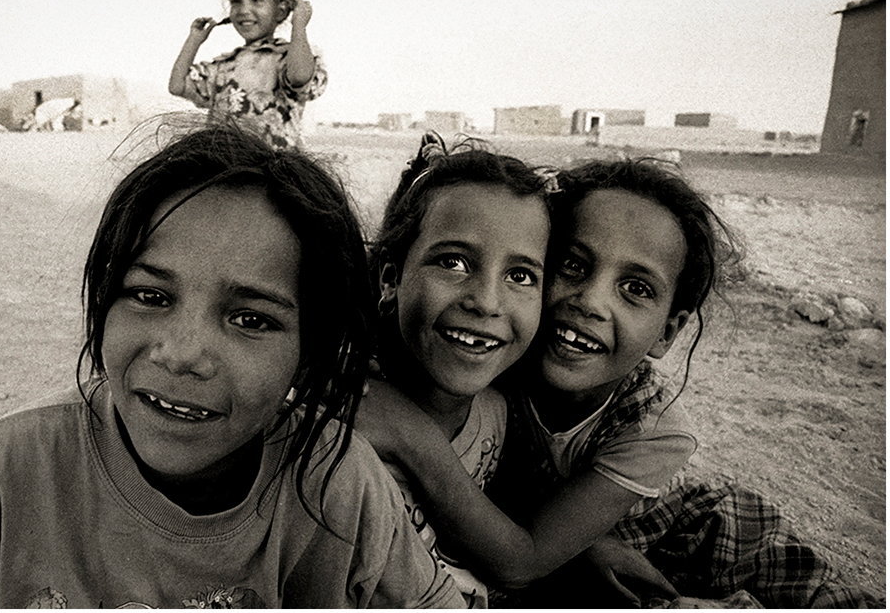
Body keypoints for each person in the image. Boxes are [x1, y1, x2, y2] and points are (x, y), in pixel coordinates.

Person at [0, 117, 463, 609]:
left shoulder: (342, 490)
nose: (180, 354)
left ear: (309, 356)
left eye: (251, 319)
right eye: (150, 296)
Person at [361, 158, 878, 608]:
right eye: (571, 265)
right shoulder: (492, 349)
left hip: (692, 530)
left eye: (635, 289)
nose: (590, 302)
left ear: (668, 332)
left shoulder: (654, 428)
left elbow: (524, 559)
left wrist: (413, 438)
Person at [359, 132, 555, 607]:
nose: (486, 302)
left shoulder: (499, 413)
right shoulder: (346, 419)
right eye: (453, 262)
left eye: (520, 276)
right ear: (391, 278)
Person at [168, 0, 326, 152]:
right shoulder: (225, 66)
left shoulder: (287, 57)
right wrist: (194, 40)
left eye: (256, 0)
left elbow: (300, 76)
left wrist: (299, 25)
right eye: (236, 1)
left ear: (281, 9)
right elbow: (177, 85)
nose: (243, 10)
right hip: (225, 169)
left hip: (273, 173)